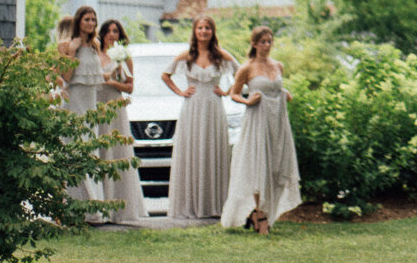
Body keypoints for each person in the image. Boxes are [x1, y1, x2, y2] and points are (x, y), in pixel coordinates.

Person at [221, 26, 301, 235]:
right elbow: (234, 94)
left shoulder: (278, 66)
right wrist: (248, 100)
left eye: (269, 41)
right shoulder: (247, 68)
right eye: (262, 41)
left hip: (278, 120)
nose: (266, 45)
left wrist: (283, 92)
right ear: (254, 43)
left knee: (276, 164)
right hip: (258, 120)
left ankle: (260, 212)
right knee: (259, 165)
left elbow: (274, 87)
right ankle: (261, 215)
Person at [162, 16, 237, 220]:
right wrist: (180, 91)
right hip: (192, 107)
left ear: (212, 32)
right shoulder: (187, 55)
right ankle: (191, 204)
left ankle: (214, 204)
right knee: (193, 149)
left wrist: (228, 90)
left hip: (213, 105)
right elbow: (165, 75)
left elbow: (240, 73)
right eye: (200, 28)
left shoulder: (220, 55)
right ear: (195, 31)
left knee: (212, 149)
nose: (203, 31)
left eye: (207, 28)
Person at [97, 19, 148, 225]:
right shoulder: (94, 54)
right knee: (98, 149)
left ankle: (119, 205)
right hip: (96, 105)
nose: (111, 34)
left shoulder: (124, 57)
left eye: (115, 31)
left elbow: (129, 87)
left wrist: (113, 82)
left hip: (114, 104)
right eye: (108, 31)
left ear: (120, 35)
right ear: (102, 34)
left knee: (116, 150)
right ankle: (98, 204)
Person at [57, 5, 105, 213]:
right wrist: (73, 51)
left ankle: (93, 204)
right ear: (78, 21)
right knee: (74, 146)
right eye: (87, 19)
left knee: (90, 148)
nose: (91, 23)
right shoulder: (66, 44)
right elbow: (66, 77)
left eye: (94, 20)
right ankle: (73, 204)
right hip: (74, 99)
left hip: (91, 101)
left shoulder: (96, 44)